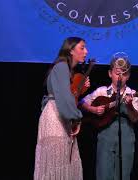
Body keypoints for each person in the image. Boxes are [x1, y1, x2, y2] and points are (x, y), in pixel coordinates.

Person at [34, 37, 90, 180]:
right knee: (57, 163)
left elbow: (66, 95)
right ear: (71, 50)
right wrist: (77, 117)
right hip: (56, 117)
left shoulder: (63, 68)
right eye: (82, 48)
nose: (86, 51)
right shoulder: (62, 66)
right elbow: (64, 98)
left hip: (59, 116)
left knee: (62, 164)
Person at [80, 53, 138, 180]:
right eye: (117, 73)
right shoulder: (101, 91)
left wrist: (129, 105)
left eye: (124, 74)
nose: (120, 77)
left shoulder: (132, 93)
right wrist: (93, 109)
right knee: (103, 171)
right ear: (110, 73)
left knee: (123, 173)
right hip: (105, 136)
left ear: (128, 76)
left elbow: (135, 118)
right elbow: (81, 102)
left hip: (126, 136)